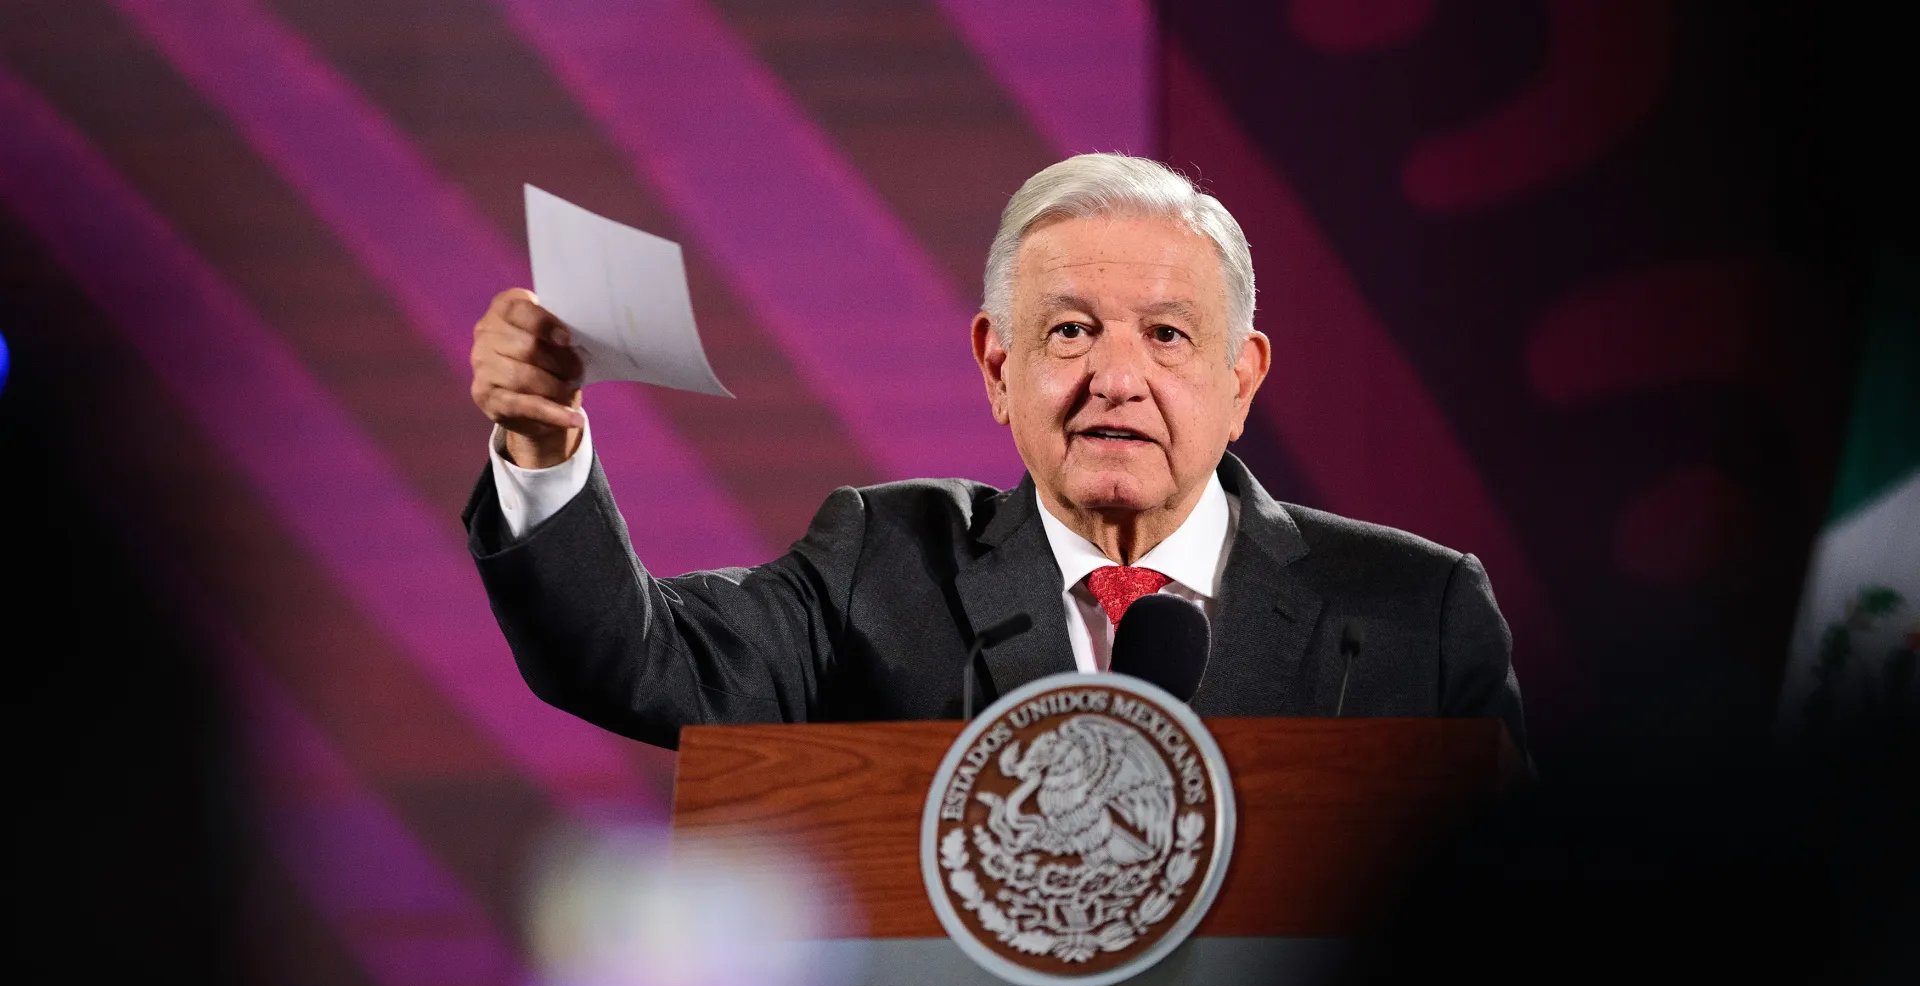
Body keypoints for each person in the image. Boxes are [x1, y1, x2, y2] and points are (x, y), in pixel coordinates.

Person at [464, 154, 1526, 754]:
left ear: (1241, 377)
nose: (1117, 376)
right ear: (996, 365)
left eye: (1165, 335)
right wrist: (543, 445)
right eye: (1069, 331)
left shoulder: (1408, 615)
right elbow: (640, 660)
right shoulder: (881, 563)